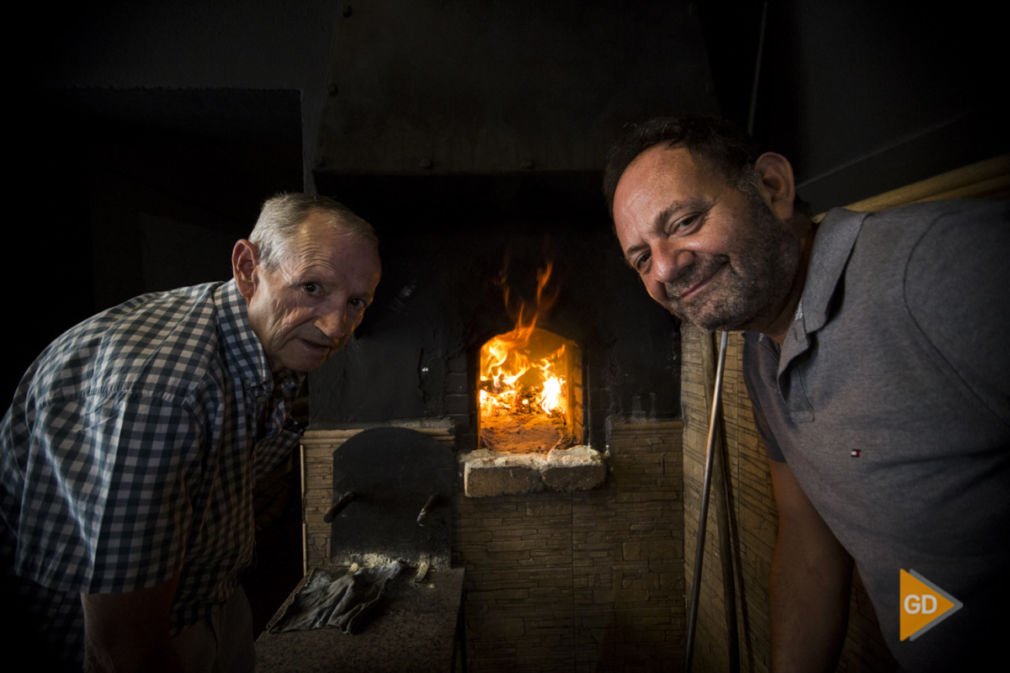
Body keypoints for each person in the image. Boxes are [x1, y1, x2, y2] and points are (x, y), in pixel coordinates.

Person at [603, 115, 1009, 672]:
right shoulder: (763, 358)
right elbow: (806, 538)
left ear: (772, 188)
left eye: (686, 220)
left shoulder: (939, 265)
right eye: (641, 258)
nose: (667, 267)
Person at [1, 193, 382, 672]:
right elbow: (121, 645)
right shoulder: (163, 393)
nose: (335, 326)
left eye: (355, 301)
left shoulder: (259, 339)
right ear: (248, 267)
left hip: (209, 600)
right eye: (311, 287)